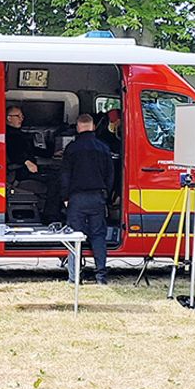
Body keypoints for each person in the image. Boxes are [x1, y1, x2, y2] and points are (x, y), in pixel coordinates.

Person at [61, 113, 114, 284]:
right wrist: (106, 195)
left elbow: (65, 176)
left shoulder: (71, 148)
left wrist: (65, 196)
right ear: (92, 127)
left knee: (75, 236)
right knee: (98, 236)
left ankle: (74, 277)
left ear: (78, 127)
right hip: (97, 197)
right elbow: (110, 176)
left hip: (76, 198)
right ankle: (101, 277)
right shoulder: (103, 147)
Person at [6, 105, 61, 223]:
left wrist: (53, 151)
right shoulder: (9, 135)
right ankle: (51, 217)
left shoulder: (20, 134)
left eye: (22, 116)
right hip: (20, 173)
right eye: (18, 116)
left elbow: (34, 151)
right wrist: (27, 162)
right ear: (9, 118)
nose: (21, 118)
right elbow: (14, 153)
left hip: (28, 169)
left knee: (57, 172)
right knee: (55, 180)